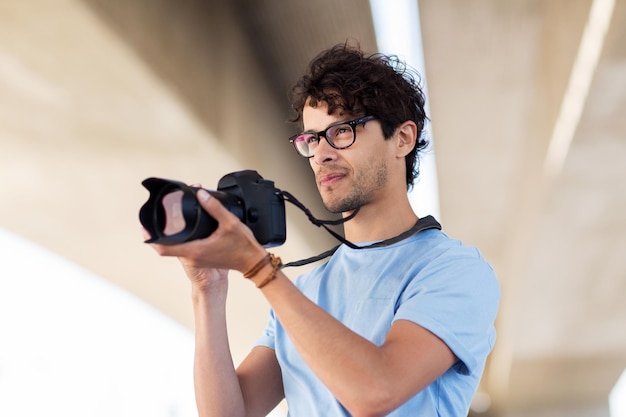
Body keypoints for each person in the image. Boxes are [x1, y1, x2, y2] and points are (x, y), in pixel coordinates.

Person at [146, 43, 500, 417]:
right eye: (312, 139)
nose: (322, 154)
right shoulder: (305, 292)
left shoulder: (456, 271)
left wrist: (259, 268)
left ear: (403, 138)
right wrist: (208, 291)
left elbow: (376, 391)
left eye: (342, 130)